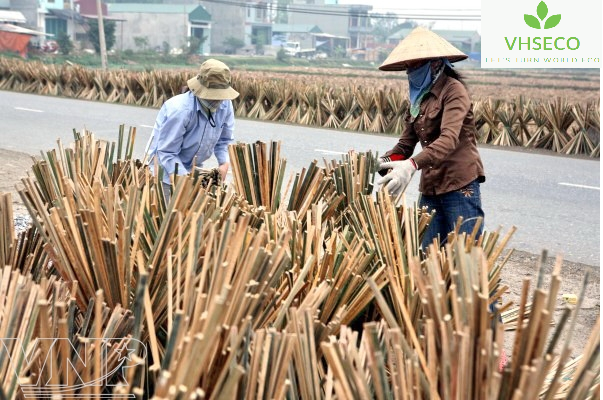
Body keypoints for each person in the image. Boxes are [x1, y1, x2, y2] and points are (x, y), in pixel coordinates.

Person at [376, 27, 485, 251]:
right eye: (408, 66)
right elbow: (405, 144)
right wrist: (383, 163)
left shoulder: (454, 91)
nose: (410, 71)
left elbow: (449, 139)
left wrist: (412, 165)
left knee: (464, 255)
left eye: (415, 65)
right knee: (428, 254)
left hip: (459, 183)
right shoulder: (419, 99)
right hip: (431, 187)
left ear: (435, 63)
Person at [146, 59, 239, 200]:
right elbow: (167, 152)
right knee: (170, 217)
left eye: (220, 95)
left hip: (193, 170)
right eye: (212, 95)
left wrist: (224, 163)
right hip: (166, 173)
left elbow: (224, 140)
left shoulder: (226, 105)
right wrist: (187, 182)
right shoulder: (180, 110)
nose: (217, 100)